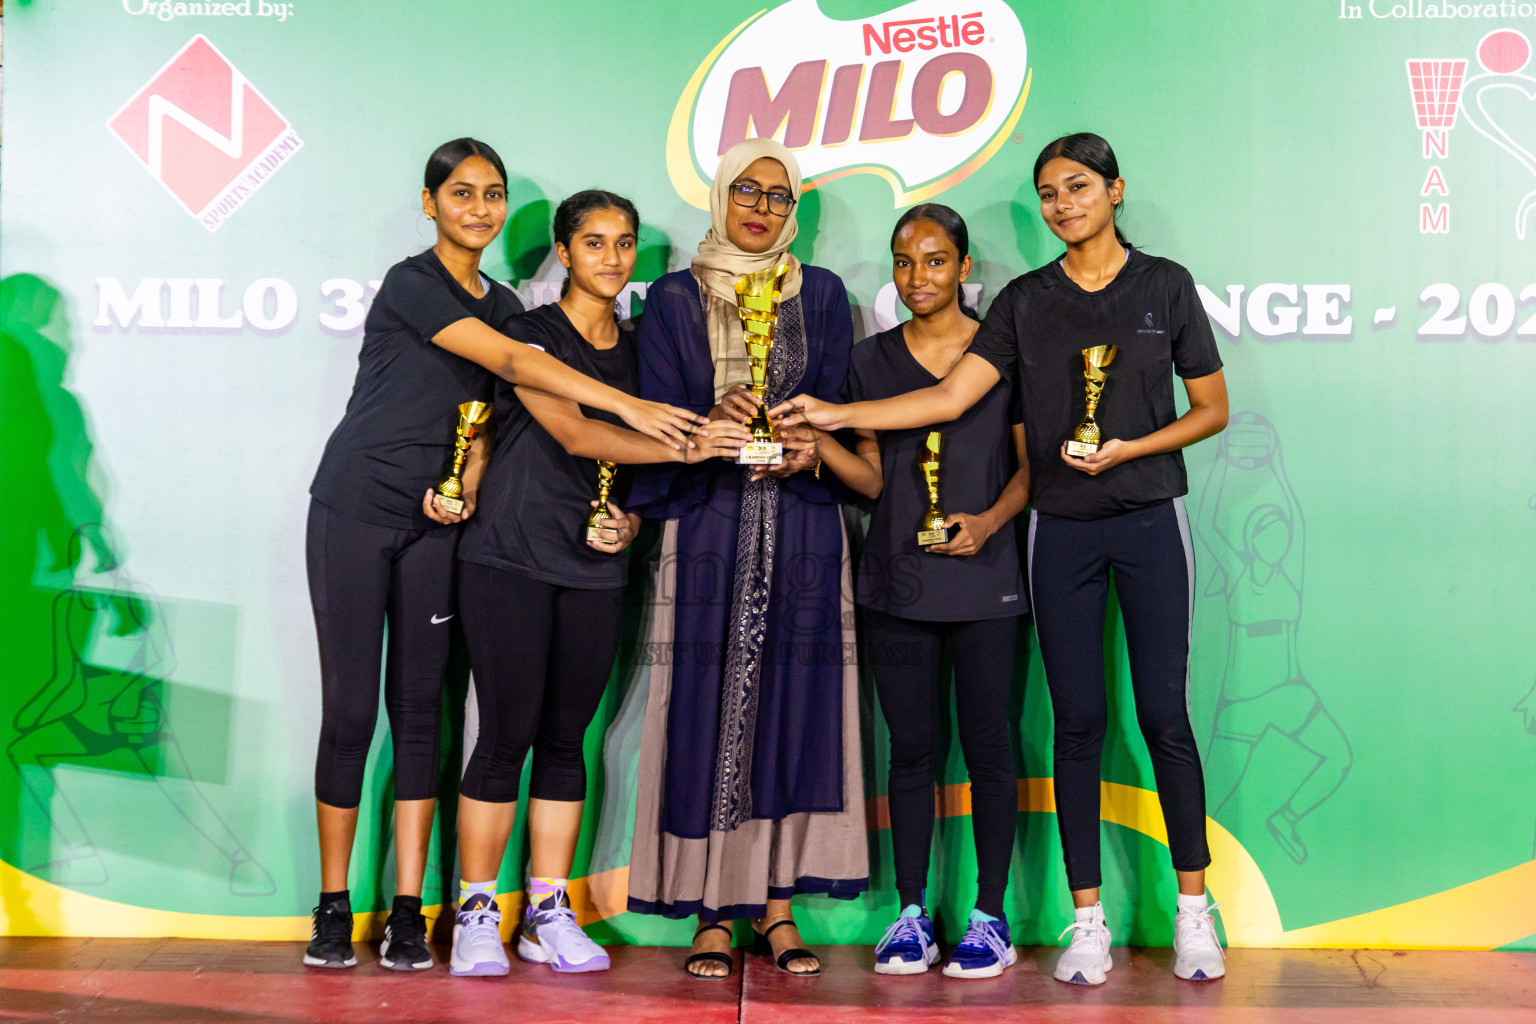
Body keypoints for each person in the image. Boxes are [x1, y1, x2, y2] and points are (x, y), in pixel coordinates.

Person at [775, 132, 1230, 986]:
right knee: (1076, 724)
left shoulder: (1164, 284)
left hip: (1145, 523)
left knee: (1165, 718)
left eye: (1079, 188)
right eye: (1050, 194)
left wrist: (1131, 450)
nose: (1064, 205)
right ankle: (1085, 921)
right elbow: (950, 395)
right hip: (1058, 532)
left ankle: (1195, 915)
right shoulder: (1025, 300)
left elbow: (1212, 409)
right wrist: (832, 416)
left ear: (1115, 190)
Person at [304, 139, 706, 972]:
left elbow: (482, 432)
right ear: (430, 203)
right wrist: (644, 411)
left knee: (424, 714)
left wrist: (483, 487)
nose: (481, 209)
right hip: (356, 507)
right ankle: (335, 905)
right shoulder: (422, 286)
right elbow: (528, 373)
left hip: (441, 521)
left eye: (493, 195)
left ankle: (413, 912)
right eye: (462, 193)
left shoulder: (498, 307)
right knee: (351, 713)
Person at [434, 190, 748, 978]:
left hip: (596, 568)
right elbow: (575, 430)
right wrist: (691, 446)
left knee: (568, 742)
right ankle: (477, 910)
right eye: (595, 242)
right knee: (505, 738)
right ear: (564, 254)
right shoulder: (528, 335)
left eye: (625, 243)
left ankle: (547, 910)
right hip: (507, 559)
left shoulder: (646, 349)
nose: (612, 258)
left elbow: (630, 478)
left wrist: (633, 526)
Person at [625, 138, 867, 979]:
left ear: (793, 208)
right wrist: (710, 415)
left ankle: (777, 907)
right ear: (722, 196)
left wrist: (803, 443)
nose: (761, 208)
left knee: (796, 707)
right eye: (746, 192)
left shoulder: (826, 294)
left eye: (777, 196)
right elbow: (653, 409)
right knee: (702, 702)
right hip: (707, 520)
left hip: (801, 518)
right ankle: (710, 912)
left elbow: (838, 405)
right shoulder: (671, 297)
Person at [809, 205, 1028, 978]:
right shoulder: (869, 361)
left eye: (935, 261)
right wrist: (820, 448)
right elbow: (873, 479)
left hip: (986, 580)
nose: (918, 277)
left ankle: (990, 916)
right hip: (895, 583)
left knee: (990, 747)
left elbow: (1030, 469)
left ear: (965, 268)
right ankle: (910, 915)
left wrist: (990, 522)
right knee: (911, 750)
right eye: (903, 262)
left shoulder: (1002, 352)